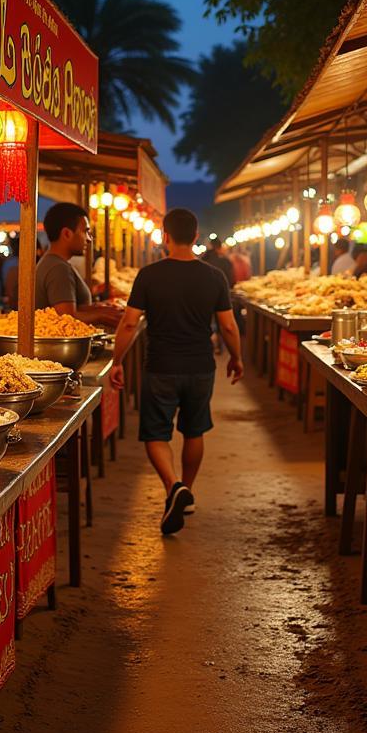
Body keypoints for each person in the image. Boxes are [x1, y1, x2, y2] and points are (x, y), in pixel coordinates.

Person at [110, 208, 243, 537]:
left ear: (165, 236)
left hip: (161, 366)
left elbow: (129, 323)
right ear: (196, 237)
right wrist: (237, 357)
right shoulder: (214, 276)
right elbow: (227, 325)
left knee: (156, 434)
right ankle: (187, 491)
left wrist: (117, 360)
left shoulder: (149, 275)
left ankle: (174, 486)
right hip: (200, 366)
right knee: (194, 431)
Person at [35, 203, 122, 328]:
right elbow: (67, 318)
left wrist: (100, 309)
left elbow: (73, 308)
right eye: (85, 231)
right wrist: (101, 316)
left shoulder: (56, 263)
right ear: (66, 234)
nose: (89, 239)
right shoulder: (58, 268)